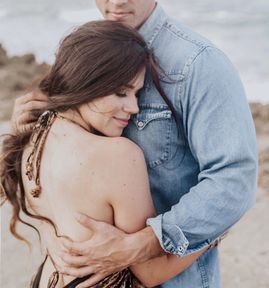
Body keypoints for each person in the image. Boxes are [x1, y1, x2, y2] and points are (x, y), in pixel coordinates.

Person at [11, 0, 257, 288]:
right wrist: (52, 231)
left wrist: (142, 244)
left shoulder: (198, 65)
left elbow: (235, 176)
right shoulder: (84, 55)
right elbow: (57, 179)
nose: (116, 0)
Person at [1, 20, 211, 288]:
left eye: (136, 94)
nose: (133, 107)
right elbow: (149, 272)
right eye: (121, 92)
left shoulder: (35, 133)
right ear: (88, 81)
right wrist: (210, 234)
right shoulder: (119, 156)